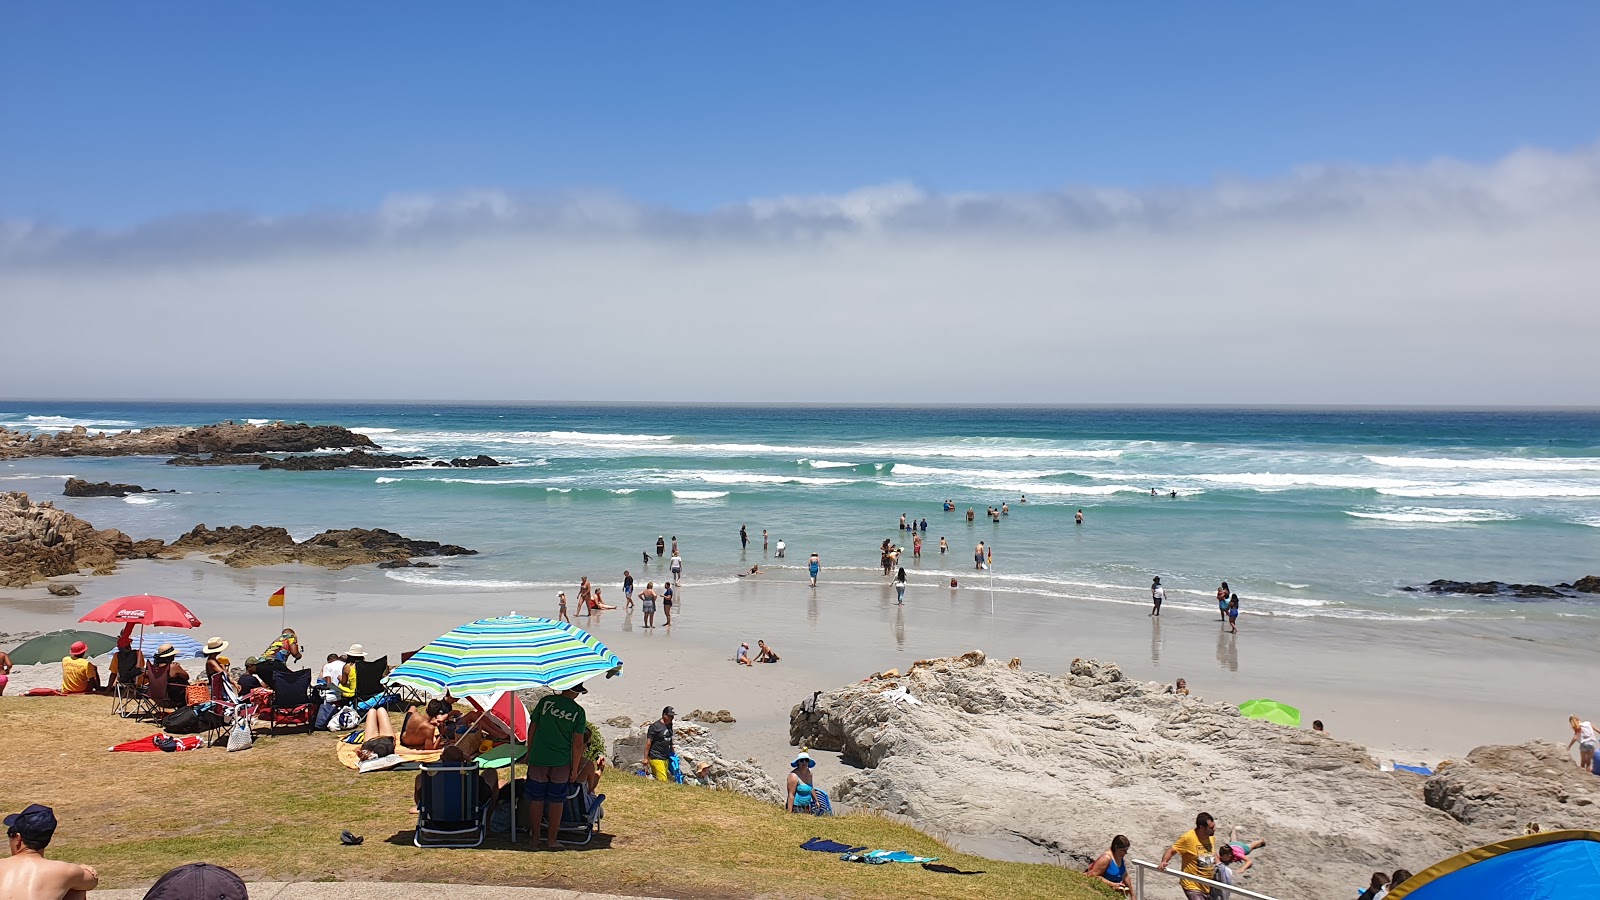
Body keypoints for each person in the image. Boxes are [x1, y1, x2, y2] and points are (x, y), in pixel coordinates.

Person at [523, 683, 589, 850]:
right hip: (561, 761)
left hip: (539, 757)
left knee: (536, 798)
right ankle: (552, 839)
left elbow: (532, 728)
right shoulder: (578, 712)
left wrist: (529, 751)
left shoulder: (546, 702)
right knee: (556, 800)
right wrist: (574, 768)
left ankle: (535, 838)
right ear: (575, 693)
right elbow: (577, 744)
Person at [0, 804, 98, 900]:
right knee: (76, 888)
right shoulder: (65, 871)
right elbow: (92, 881)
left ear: (18, 838)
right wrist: (81, 870)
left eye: (10, 834)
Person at [415, 744, 497, 817]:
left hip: (437, 819)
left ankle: (423, 815)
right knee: (491, 772)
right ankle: (489, 818)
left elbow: (422, 792)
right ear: (462, 759)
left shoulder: (433, 783)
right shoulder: (471, 782)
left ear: (441, 758)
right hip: (468, 819)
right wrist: (468, 763)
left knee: (419, 778)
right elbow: (485, 793)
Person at [1159, 811, 1219, 900]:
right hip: (1191, 884)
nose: (1214, 829)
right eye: (1211, 827)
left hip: (1207, 885)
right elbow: (1171, 850)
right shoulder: (1188, 838)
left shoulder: (1211, 838)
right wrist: (1164, 861)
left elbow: (1211, 855)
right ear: (1202, 827)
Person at [644, 707, 675, 781]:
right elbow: (648, 742)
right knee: (663, 780)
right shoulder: (655, 727)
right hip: (656, 756)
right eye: (670, 716)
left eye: (673, 716)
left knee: (657, 778)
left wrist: (672, 751)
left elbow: (669, 738)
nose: (672, 718)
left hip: (666, 756)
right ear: (664, 715)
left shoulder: (670, 724)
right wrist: (645, 758)